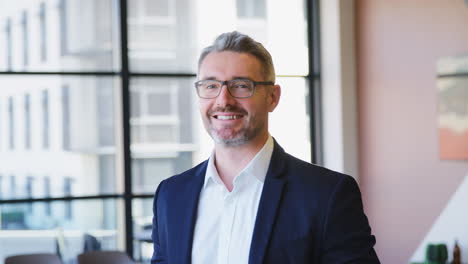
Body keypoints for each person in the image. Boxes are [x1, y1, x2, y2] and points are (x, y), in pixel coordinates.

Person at [151, 31, 380, 264]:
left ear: (272, 97)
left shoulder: (327, 195)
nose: (223, 100)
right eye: (211, 85)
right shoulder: (170, 195)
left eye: (241, 85)